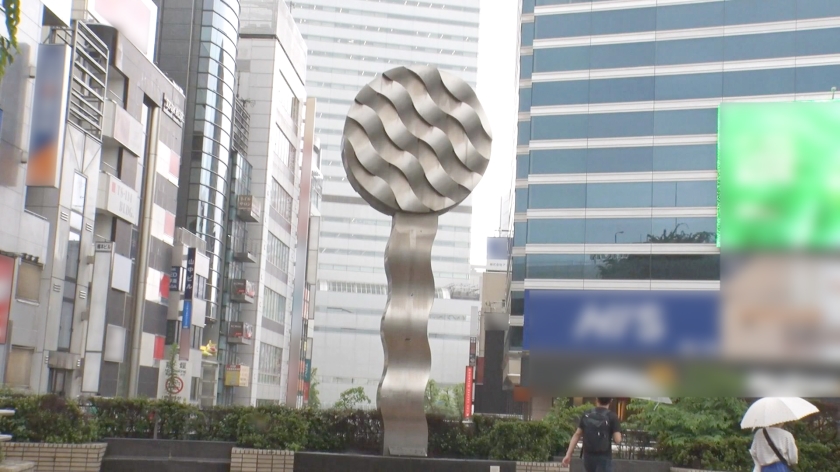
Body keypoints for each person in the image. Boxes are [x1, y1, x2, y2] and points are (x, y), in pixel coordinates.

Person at [561, 398, 622, 472]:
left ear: (596, 399)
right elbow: (617, 440)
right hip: (604, 457)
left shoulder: (587, 414)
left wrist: (568, 454)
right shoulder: (612, 416)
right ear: (611, 400)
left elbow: (577, 434)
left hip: (588, 457)